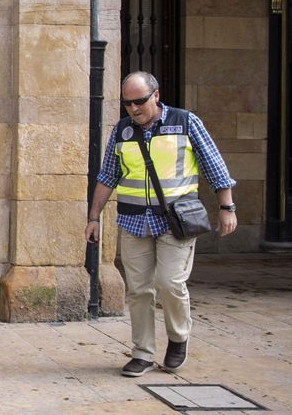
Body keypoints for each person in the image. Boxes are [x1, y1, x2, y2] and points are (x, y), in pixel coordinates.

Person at [85, 71, 237, 377]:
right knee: (139, 290)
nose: (133, 109)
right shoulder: (122, 131)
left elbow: (215, 165)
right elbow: (107, 176)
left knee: (170, 283)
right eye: (127, 103)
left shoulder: (185, 122)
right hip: (133, 220)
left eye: (139, 101)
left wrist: (226, 207)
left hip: (176, 220)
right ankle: (142, 352)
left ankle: (178, 338)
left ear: (156, 95)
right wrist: (93, 217)